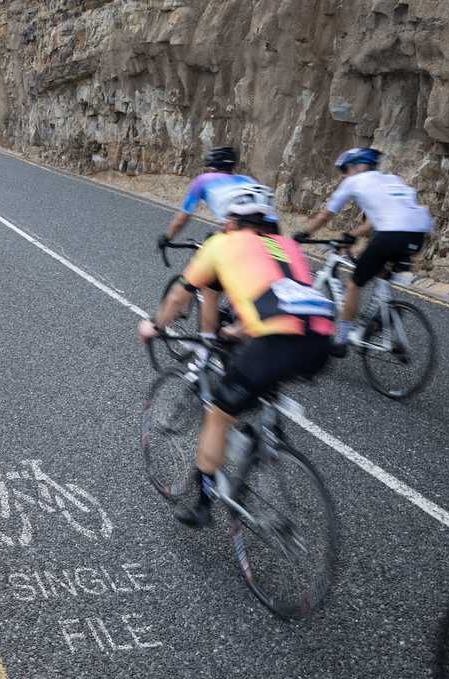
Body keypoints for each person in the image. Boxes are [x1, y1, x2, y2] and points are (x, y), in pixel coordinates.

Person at [139, 182, 335, 528]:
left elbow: (179, 298)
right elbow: (281, 298)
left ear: (230, 220)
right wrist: (236, 332)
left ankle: (202, 502)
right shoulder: (287, 246)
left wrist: (155, 326)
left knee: (218, 413)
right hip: (321, 341)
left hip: (276, 344)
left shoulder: (221, 244)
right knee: (257, 385)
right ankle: (260, 443)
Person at [293, 147, 433, 355]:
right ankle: (382, 315)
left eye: (345, 170)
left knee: (354, 284)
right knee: (379, 270)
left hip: (391, 234)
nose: (344, 175)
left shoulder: (353, 181)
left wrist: (302, 233)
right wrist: (352, 234)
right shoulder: (391, 180)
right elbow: (376, 221)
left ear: (358, 166)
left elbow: (325, 215)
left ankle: (342, 339)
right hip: (417, 235)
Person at [158, 147, 276, 336]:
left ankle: (206, 346)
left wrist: (168, 237)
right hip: (272, 237)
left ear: (211, 168)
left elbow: (183, 216)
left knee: (209, 288)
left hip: (240, 235)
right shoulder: (248, 180)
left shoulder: (203, 181)